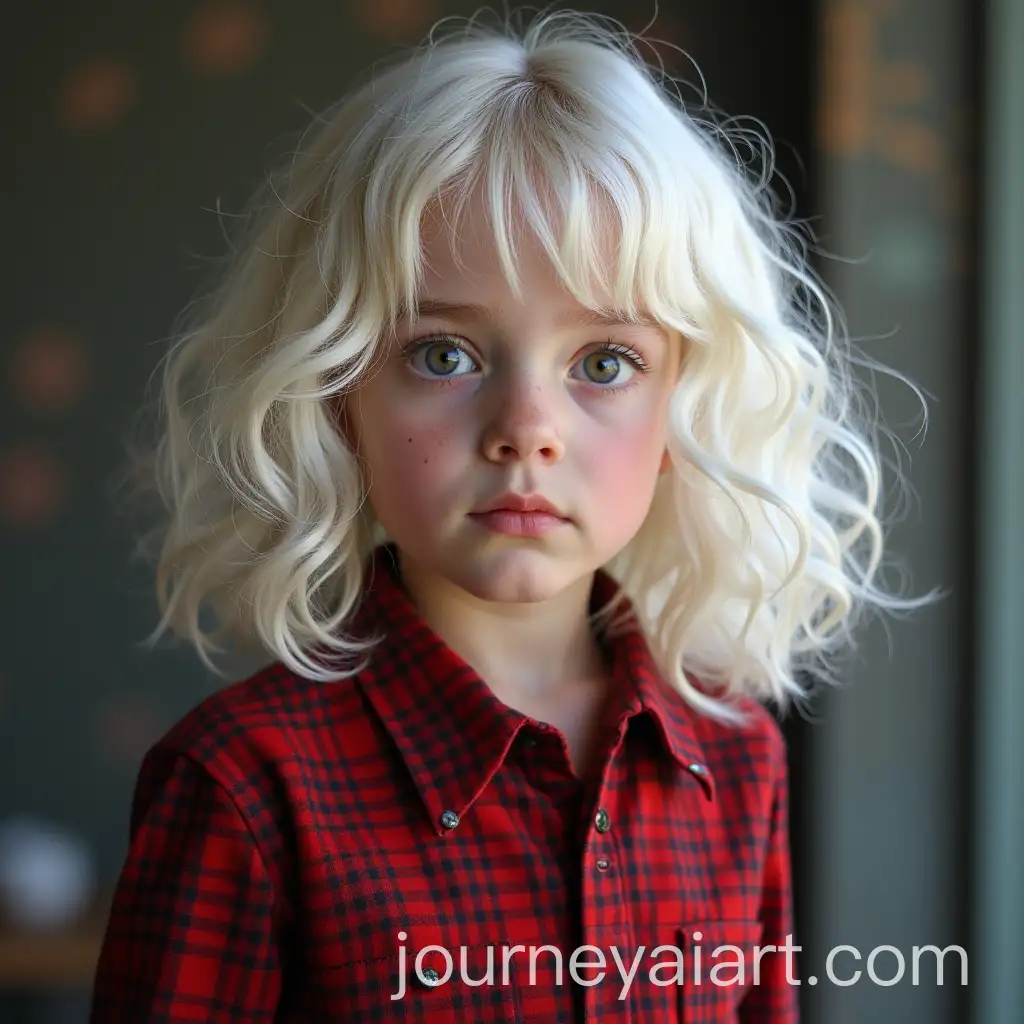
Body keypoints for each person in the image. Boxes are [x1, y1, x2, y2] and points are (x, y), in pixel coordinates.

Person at [89, 9, 926, 1022]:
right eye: (443, 353)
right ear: (338, 394)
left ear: (683, 411)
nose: (525, 429)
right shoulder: (242, 787)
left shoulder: (734, 757)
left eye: (604, 363)